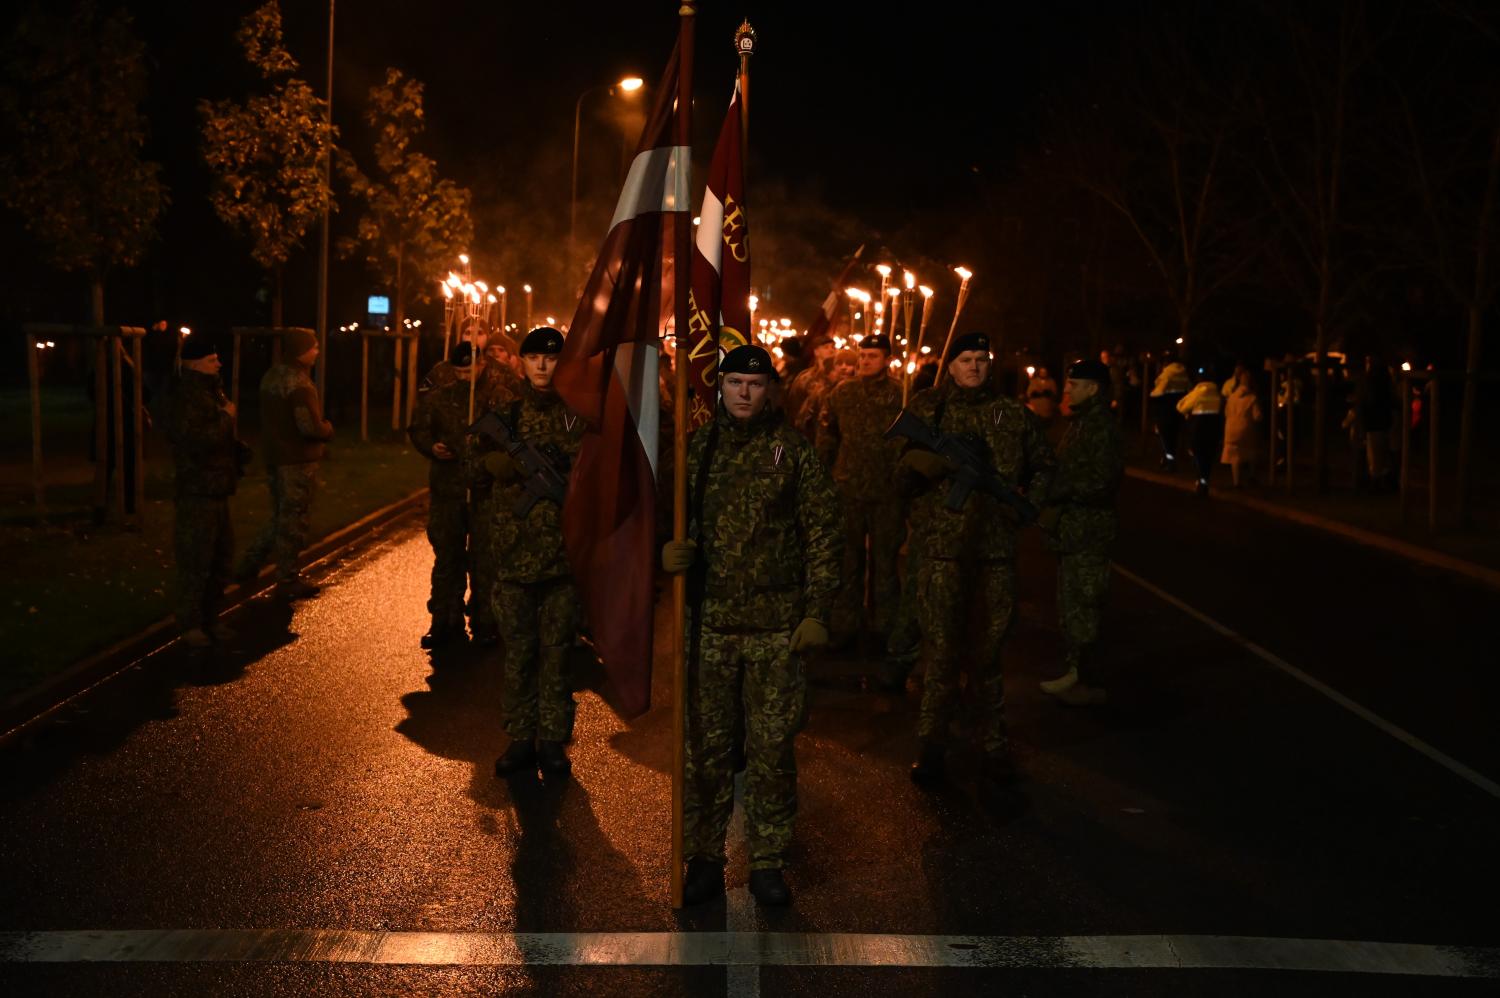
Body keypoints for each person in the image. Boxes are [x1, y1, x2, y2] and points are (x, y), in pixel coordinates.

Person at [660, 344, 841, 907]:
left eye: (754, 384)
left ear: (769, 391)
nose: (743, 392)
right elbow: (664, 516)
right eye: (734, 382)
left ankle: (767, 861)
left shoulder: (794, 452)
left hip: (774, 628)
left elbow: (823, 535)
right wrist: (665, 553)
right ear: (720, 387)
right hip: (709, 626)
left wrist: (817, 611)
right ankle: (705, 857)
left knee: (770, 751)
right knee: (706, 753)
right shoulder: (697, 450)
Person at [898, 332, 1055, 791]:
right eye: (966, 359)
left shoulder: (1012, 414)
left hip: (993, 553)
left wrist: (1027, 503)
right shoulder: (928, 408)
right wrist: (919, 467)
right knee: (942, 652)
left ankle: (992, 743)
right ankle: (932, 743)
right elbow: (898, 474)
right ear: (951, 366)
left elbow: (1045, 466)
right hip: (941, 551)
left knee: (987, 653)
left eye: (982, 360)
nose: (974, 367)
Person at [487, 327, 585, 780]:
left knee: (558, 653)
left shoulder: (578, 414)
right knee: (519, 653)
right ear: (522, 362)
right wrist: (497, 463)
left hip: (564, 558)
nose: (543, 366)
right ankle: (519, 737)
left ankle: (552, 740)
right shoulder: (504, 413)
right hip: (513, 556)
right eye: (534, 358)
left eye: (551, 358)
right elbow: (472, 463)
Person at [408, 342, 507, 648]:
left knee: (484, 560)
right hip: (448, 490)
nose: (466, 376)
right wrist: (432, 446)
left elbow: (511, 438)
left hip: (483, 491)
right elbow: (419, 429)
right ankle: (444, 619)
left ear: (482, 366)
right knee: (448, 557)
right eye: (460, 371)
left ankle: (485, 620)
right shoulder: (440, 397)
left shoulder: (498, 398)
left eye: (471, 370)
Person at [1037, 360, 1124, 706]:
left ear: (1094, 388)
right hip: (1073, 532)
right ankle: (1076, 671)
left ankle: (1088, 681)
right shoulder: (1081, 422)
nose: (1068, 389)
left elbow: (1101, 482)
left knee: (1086, 607)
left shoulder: (1101, 426)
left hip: (1090, 532)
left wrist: (1057, 488)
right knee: (1071, 607)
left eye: (1075, 384)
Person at [817, 333, 904, 647]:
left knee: (885, 564)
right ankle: (844, 626)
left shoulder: (900, 395)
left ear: (886, 360)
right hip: (848, 489)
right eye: (863, 355)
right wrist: (822, 480)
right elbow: (827, 437)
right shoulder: (843, 393)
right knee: (847, 562)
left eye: (873, 356)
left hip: (887, 493)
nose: (866, 361)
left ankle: (885, 627)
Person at [236, 329, 333, 597]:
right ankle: (287, 578)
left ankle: (250, 563)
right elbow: (309, 427)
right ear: (301, 350)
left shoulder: (271, 376)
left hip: (275, 456)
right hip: (298, 460)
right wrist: (327, 429)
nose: (317, 351)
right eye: (314, 347)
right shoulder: (299, 384)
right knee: (294, 520)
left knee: (281, 515)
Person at [163, 336, 243, 648]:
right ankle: (190, 624)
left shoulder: (211, 390)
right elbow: (195, 440)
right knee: (196, 559)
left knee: (220, 559)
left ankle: (212, 617)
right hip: (197, 489)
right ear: (195, 364)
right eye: (212, 360)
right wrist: (226, 418)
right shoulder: (186, 396)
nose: (218, 363)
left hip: (217, 488)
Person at [1176, 370, 1224, 496]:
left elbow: (1181, 407)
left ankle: (1201, 482)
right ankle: (1205, 481)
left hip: (1199, 427)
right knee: (1208, 456)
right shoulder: (1217, 393)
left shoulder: (1199, 391)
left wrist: (1190, 394)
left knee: (1198, 454)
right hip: (1213, 427)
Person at [782, 334, 835, 439]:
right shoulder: (805, 378)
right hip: (808, 434)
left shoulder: (839, 377)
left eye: (833, 347)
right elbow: (794, 405)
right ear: (816, 352)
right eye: (826, 347)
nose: (831, 350)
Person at [1221, 366, 1264, 488]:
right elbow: (1257, 416)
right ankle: (1251, 476)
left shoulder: (1231, 397)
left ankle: (1236, 482)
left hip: (1230, 428)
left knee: (1235, 457)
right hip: (1246, 428)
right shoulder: (1252, 398)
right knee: (1251, 452)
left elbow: (1226, 412)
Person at [1149, 352, 1192, 471]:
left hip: (1165, 409)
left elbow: (1158, 392)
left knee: (1165, 438)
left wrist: (1152, 396)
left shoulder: (1167, 374)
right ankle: (1168, 460)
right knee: (1173, 437)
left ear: (1165, 363)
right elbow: (1189, 389)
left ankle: (1170, 462)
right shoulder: (1183, 373)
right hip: (1178, 410)